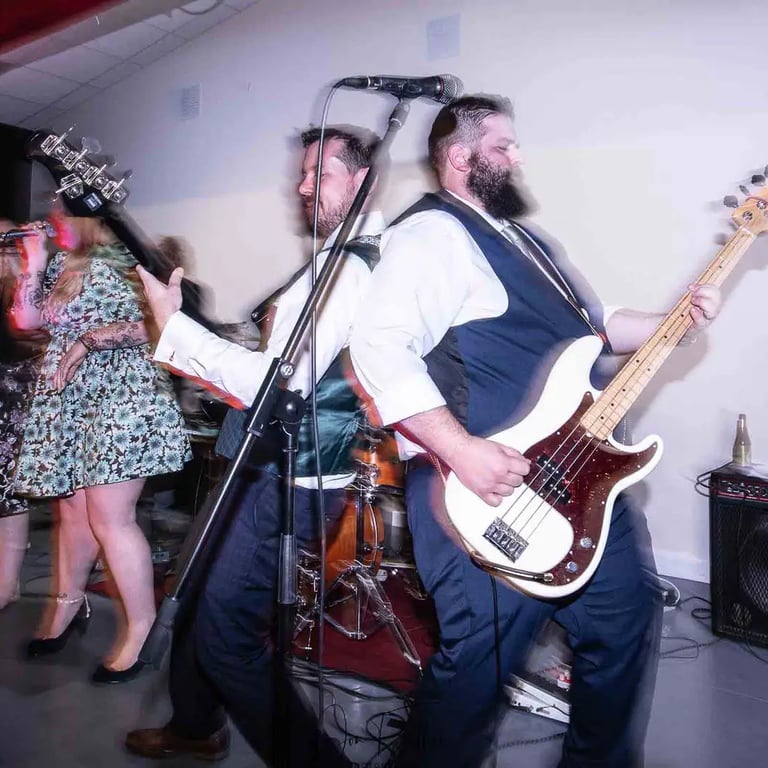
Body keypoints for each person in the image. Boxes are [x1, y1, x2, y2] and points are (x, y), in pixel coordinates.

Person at [348, 94, 722, 767]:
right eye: (503, 146)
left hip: (582, 480)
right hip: (486, 493)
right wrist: (460, 450)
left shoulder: (530, 242)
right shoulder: (432, 236)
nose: (518, 157)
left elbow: (596, 327)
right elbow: (378, 347)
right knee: (476, 674)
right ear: (460, 158)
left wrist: (676, 319)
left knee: (625, 618)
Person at [125, 125, 385, 766]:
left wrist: (171, 322)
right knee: (194, 589)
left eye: (319, 174)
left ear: (361, 181)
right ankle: (194, 725)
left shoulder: (348, 269)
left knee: (226, 635)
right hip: (268, 465)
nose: (302, 187)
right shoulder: (341, 260)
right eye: (301, 174)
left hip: (286, 476)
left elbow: (276, 384)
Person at [10, 215, 191, 682]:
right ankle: (68, 606)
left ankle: (144, 627)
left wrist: (88, 341)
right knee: (73, 514)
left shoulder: (135, 257)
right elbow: (27, 321)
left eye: (62, 209)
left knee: (111, 519)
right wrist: (33, 259)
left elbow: (160, 324)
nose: (53, 216)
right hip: (70, 399)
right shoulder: (63, 264)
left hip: (121, 397)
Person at [0, 221, 47, 609]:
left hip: (15, 397)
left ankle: (7, 583)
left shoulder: (27, 289)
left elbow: (29, 338)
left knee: (8, 492)